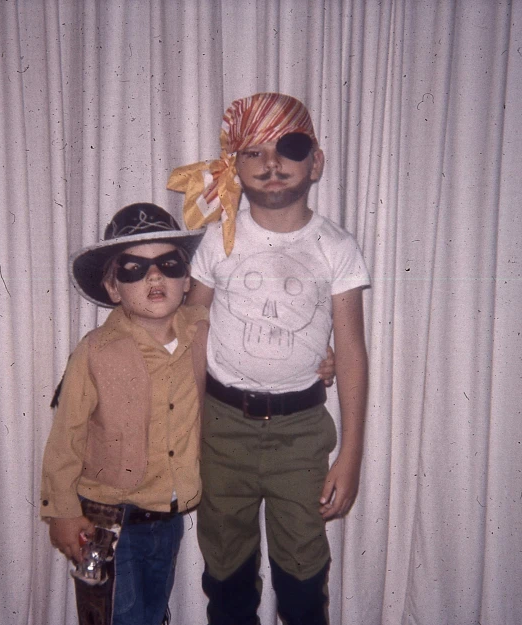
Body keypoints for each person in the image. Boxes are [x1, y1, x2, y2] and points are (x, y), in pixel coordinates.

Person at [167, 92, 369, 625]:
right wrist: (188, 429)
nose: (272, 163)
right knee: (226, 569)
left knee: (303, 575)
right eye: (254, 152)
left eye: (289, 148)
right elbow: (194, 326)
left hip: (301, 433)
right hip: (222, 427)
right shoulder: (219, 241)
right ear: (234, 166)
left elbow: (350, 350)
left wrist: (350, 455)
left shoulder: (337, 248)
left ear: (316, 160)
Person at [40, 202, 207, 625]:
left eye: (168, 265)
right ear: (114, 287)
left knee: (153, 613)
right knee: (118, 616)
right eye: (134, 269)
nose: (154, 277)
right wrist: (61, 511)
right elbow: (66, 436)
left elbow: (256, 346)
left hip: (166, 517)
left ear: (186, 279)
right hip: (104, 520)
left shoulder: (206, 333)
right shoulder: (95, 350)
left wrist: (319, 357)